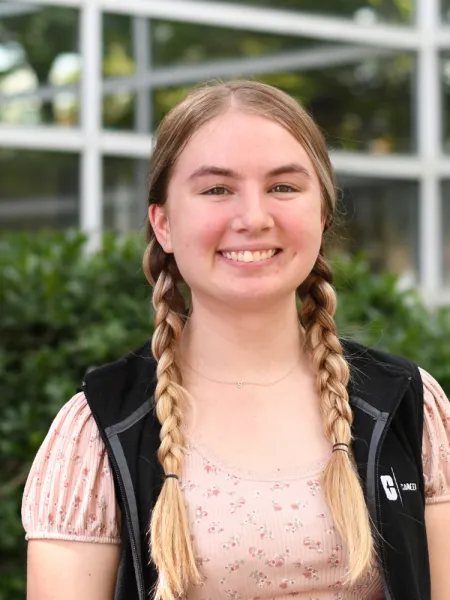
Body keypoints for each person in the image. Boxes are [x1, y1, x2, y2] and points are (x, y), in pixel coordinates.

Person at [22, 80, 450, 600]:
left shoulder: (407, 404)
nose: (253, 218)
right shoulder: (99, 430)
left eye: (284, 187)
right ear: (163, 224)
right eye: (217, 189)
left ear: (321, 214)